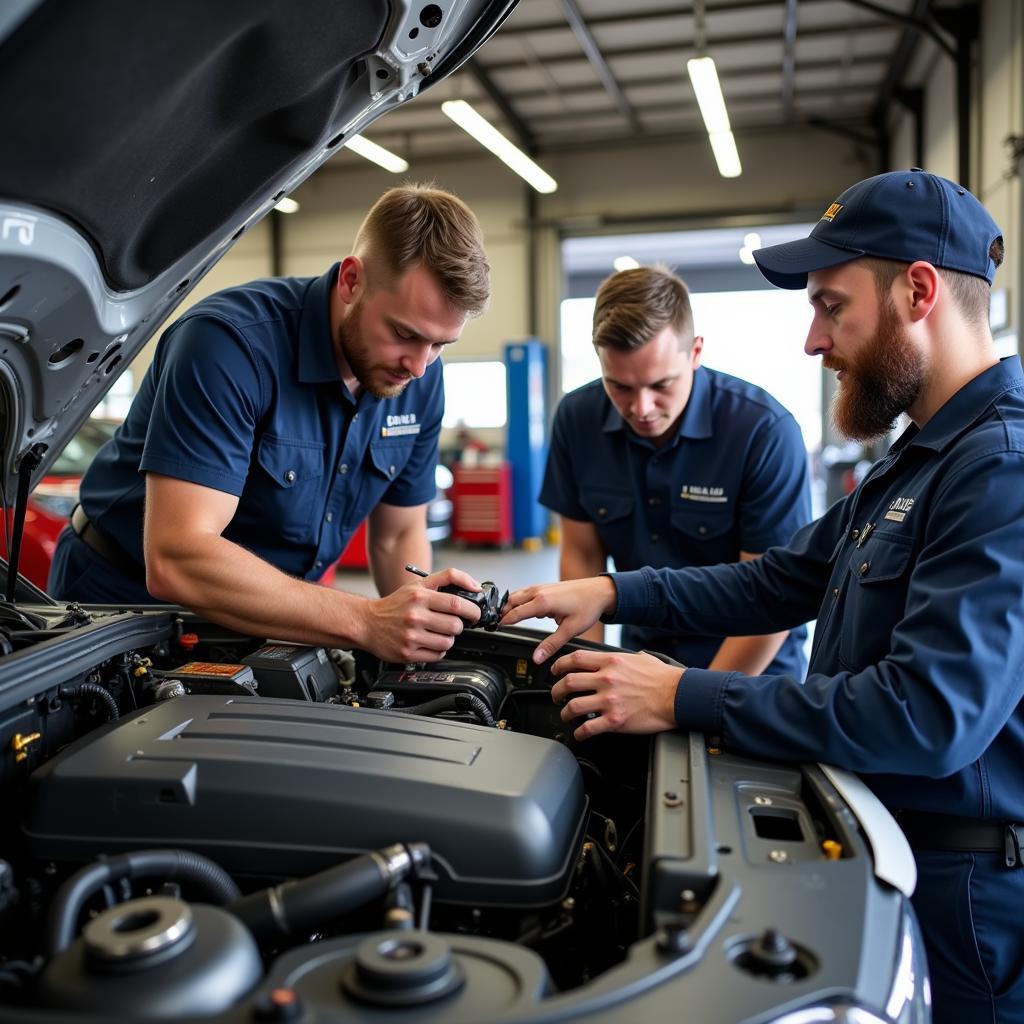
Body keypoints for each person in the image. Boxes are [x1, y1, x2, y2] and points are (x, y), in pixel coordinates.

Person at [503, 169, 1023, 1022]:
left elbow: (927, 717)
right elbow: (779, 578)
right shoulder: (918, 456)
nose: (814, 341)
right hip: (882, 837)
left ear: (918, 291)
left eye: (830, 305)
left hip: (964, 895)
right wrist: (608, 588)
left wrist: (682, 694)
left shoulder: (998, 468)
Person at [49, 184, 491, 663]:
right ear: (351, 281)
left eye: (441, 344)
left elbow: (397, 534)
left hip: (271, 616)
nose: (419, 366)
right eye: (405, 333)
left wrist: (414, 627)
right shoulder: (227, 346)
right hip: (123, 608)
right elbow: (179, 556)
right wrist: (366, 620)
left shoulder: (420, 379)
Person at [540, 265, 811, 675]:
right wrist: (584, 669)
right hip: (643, 659)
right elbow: (580, 554)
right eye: (620, 387)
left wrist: (689, 699)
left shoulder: (763, 432)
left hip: (750, 672)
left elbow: (772, 594)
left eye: (661, 384)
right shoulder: (577, 419)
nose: (641, 408)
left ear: (696, 352)